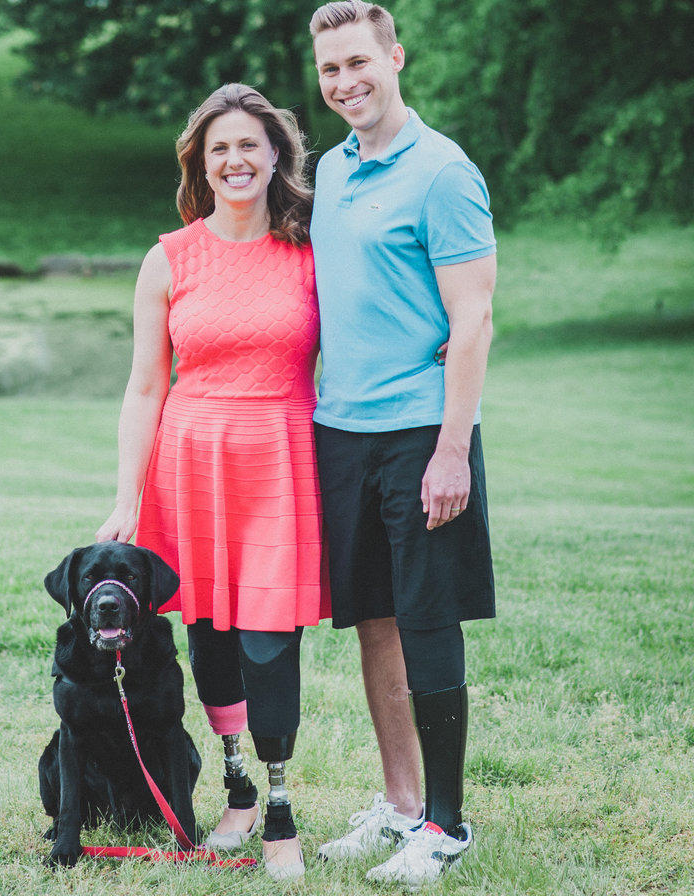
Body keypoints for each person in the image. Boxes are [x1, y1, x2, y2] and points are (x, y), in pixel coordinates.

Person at [96, 83, 328, 880]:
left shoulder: (310, 249)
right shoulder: (168, 257)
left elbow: (374, 324)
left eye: (249, 146)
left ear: (275, 157)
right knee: (213, 636)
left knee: (271, 640)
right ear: (202, 161)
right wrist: (127, 497)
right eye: (218, 147)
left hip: (280, 456)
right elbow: (144, 387)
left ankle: (281, 807)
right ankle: (236, 790)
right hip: (190, 463)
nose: (235, 160)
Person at [306, 1, 498, 889]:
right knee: (373, 621)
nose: (346, 83)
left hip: (422, 434)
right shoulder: (332, 173)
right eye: (330, 70)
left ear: (396, 57)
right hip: (340, 434)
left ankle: (447, 826)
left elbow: (473, 320)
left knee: (428, 621)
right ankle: (398, 805)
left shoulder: (443, 173)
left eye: (359, 63)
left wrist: (452, 448)